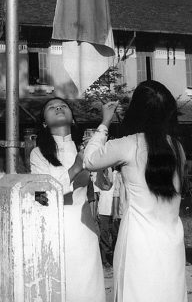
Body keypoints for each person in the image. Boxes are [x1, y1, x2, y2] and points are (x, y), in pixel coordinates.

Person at [84, 81, 187, 302]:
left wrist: (104, 123)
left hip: (138, 238)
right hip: (172, 240)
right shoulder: (177, 148)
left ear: (136, 112)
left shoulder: (127, 144)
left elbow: (90, 160)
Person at [30, 97, 104, 302]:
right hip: (55, 229)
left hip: (84, 229)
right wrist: (76, 167)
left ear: (73, 119)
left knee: (87, 289)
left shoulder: (85, 148)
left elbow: (104, 185)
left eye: (63, 106)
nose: (58, 108)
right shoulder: (38, 154)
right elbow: (41, 196)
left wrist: (101, 161)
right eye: (51, 107)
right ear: (44, 122)